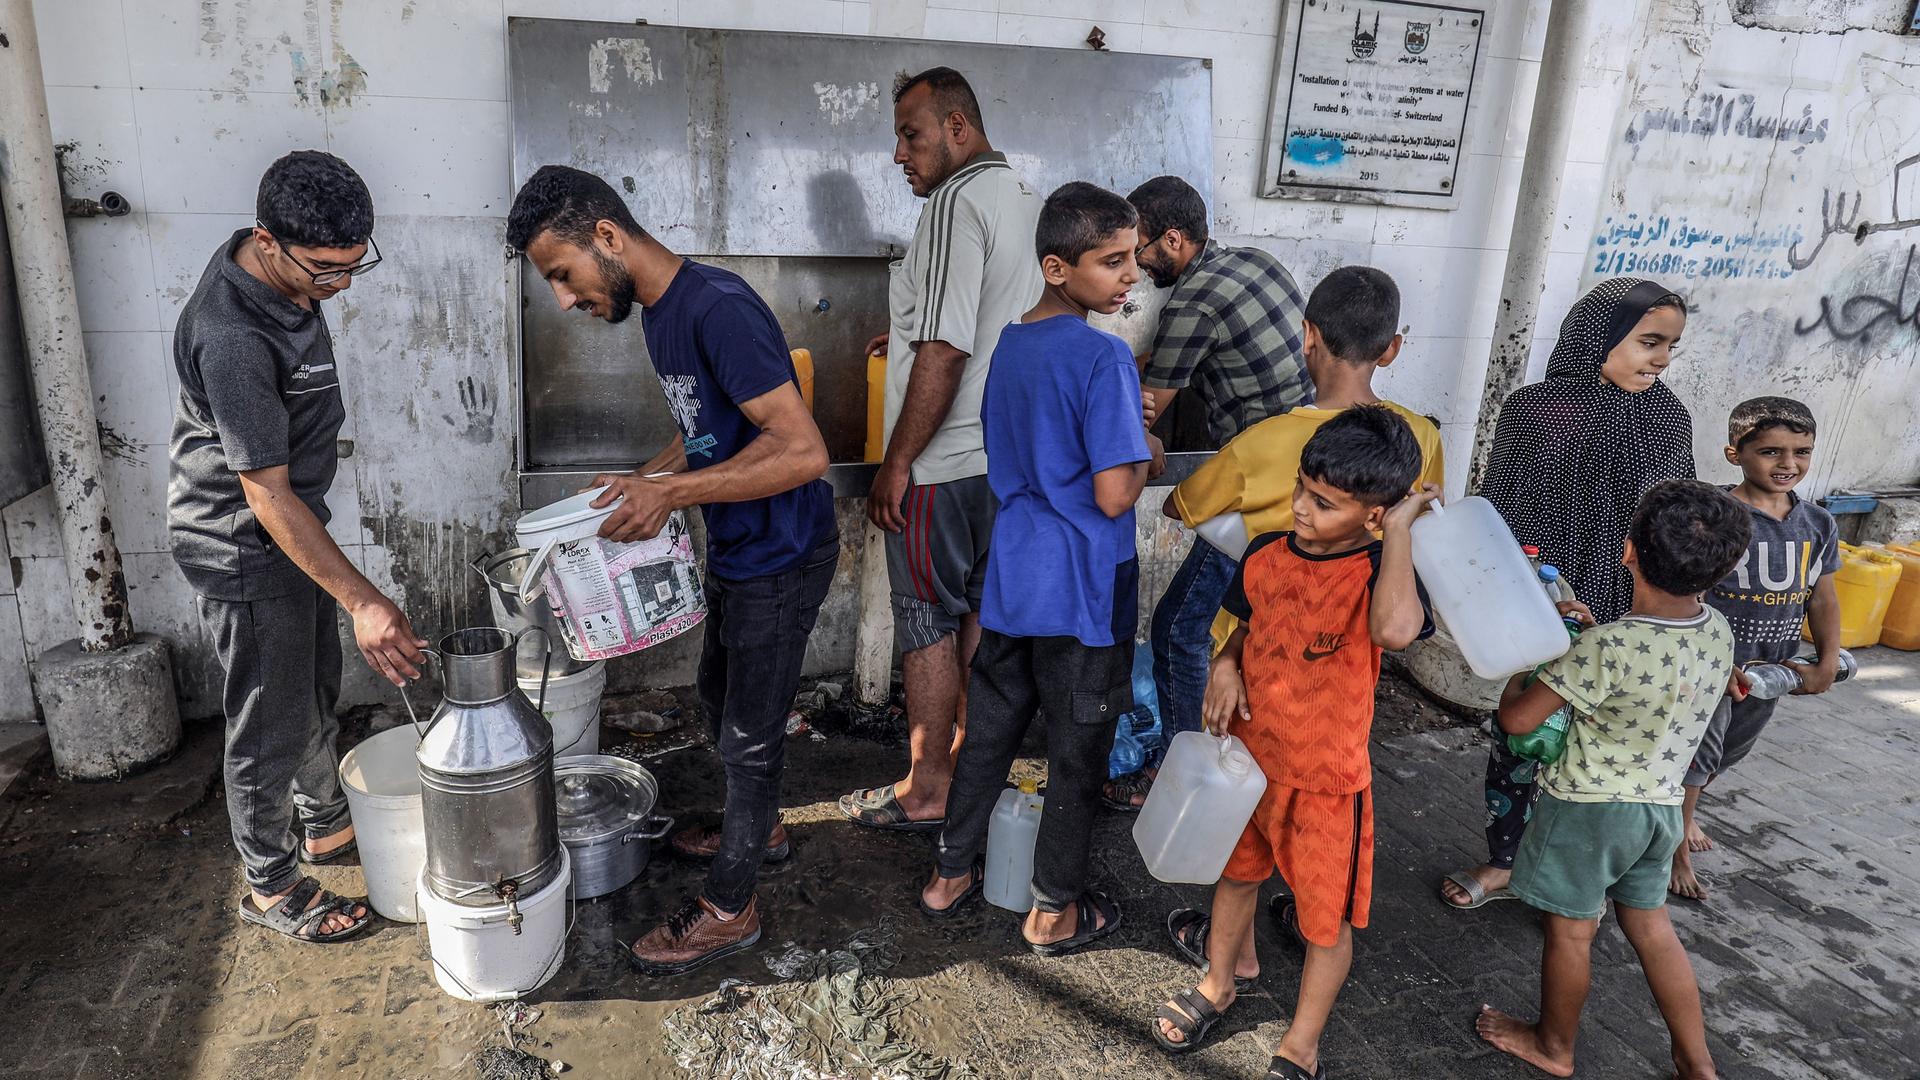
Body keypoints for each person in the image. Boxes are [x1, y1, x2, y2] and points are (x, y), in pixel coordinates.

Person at [506, 165, 837, 976]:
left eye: (562, 273)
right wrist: (647, 478)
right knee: (720, 700)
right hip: (738, 546)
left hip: (783, 554)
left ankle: (730, 908)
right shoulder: (661, 313)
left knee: (751, 738)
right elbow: (712, 432)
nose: (563, 297)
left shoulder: (716, 307)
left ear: (608, 238)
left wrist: (670, 497)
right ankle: (756, 828)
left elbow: (801, 450)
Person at [168, 150, 419, 943]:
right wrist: (365, 599)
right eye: (324, 271)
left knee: (312, 686)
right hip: (244, 544)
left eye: (353, 268)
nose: (339, 286)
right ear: (267, 240)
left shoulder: (283, 279)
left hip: (290, 531)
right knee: (266, 719)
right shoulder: (233, 334)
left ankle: (324, 819)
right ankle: (271, 885)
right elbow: (265, 493)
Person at [1151, 407, 1437, 1080]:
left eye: (1325, 503)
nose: (1302, 509)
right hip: (1248, 764)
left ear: (1376, 516)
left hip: (1327, 780)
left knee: (1324, 924)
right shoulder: (1265, 553)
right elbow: (1247, 628)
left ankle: (1302, 1041)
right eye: (1303, 489)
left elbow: (1396, 632)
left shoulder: (1381, 575)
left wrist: (1399, 534)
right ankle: (1221, 980)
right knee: (1236, 877)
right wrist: (1224, 664)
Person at [916, 182, 1155, 955]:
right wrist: (1145, 451)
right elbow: (1115, 495)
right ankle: (1054, 909)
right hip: (1086, 580)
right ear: (1056, 266)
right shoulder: (1103, 357)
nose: (1130, 277)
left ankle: (948, 874)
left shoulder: (1012, 345)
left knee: (989, 729)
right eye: (1111, 262)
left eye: (1133, 260)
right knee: (1077, 749)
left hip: (1016, 570)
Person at [1104, 266, 1443, 811]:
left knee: (1183, 637)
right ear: (1391, 349)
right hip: (1348, 639)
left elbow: (1180, 505)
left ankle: (1185, 768)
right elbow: (1423, 515)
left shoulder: (1262, 442)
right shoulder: (1419, 435)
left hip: (1261, 630)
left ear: (1307, 336)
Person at [1478, 479, 1748, 1079]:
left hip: (1587, 811)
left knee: (1571, 934)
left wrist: (1543, 653)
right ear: (1722, 570)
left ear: (1627, 551)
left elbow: (1517, 717)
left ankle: (1554, 1045)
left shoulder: (1608, 645)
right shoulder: (1717, 631)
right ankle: (1696, 1062)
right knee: (1652, 930)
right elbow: (1658, 673)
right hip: (1659, 809)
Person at [1441, 277, 1696, 911]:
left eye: (1671, 347)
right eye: (1649, 341)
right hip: (1543, 604)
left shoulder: (1668, 418)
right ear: (1598, 336)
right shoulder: (1535, 410)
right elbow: (1506, 517)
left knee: (1598, 748)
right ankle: (1507, 862)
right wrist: (1544, 591)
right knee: (1527, 735)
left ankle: (1577, 876)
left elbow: (1675, 522)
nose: (1661, 359)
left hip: (1630, 613)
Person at [839, 67, 1044, 834]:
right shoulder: (1020, 197)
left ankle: (927, 788)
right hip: (1006, 461)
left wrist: (897, 464)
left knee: (925, 618)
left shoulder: (956, 203)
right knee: (981, 614)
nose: (900, 153)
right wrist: (917, 336)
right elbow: (988, 317)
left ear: (959, 127)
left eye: (911, 134)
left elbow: (951, 350)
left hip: (944, 462)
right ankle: (970, 766)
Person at [1109, 176, 1313, 812]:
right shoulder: (1260, 263)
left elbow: (1146, 414)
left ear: (1173, 239)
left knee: (1178, 628)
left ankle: (1181, 773)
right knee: (1248, 630)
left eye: (1139, 250)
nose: (1136, 268)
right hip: (1306, 472)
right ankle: (1240, 754)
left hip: (1262, 488)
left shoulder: (1192, 301)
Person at [1670, 397, 1841, 900]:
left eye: (1802, 451)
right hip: (1711, 668)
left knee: (1728, 752)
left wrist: (1828, 659)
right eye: (1771, 451)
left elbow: (1823, 595)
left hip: (1768, 670)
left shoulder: (1818, 524)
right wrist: (1709, 660)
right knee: (1697, 756)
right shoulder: (1714, 516)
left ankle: (1685, 812)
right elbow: (1686, 590)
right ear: (1734, 453)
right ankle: (1674, 848)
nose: (1788, 464)